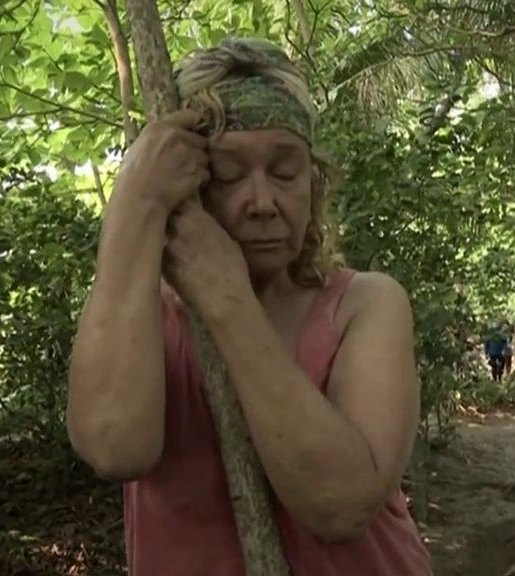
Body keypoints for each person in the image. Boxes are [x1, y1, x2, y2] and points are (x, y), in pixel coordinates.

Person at [66, 38, 431, 576]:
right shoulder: (142, 317)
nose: (262, 203)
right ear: (189, 187)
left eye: (285, 173)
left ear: (314, 183)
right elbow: (114, 447)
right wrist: (137, 201)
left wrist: (227, 300)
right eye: (229, 176)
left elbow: (342, 504)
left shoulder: (366, 305)